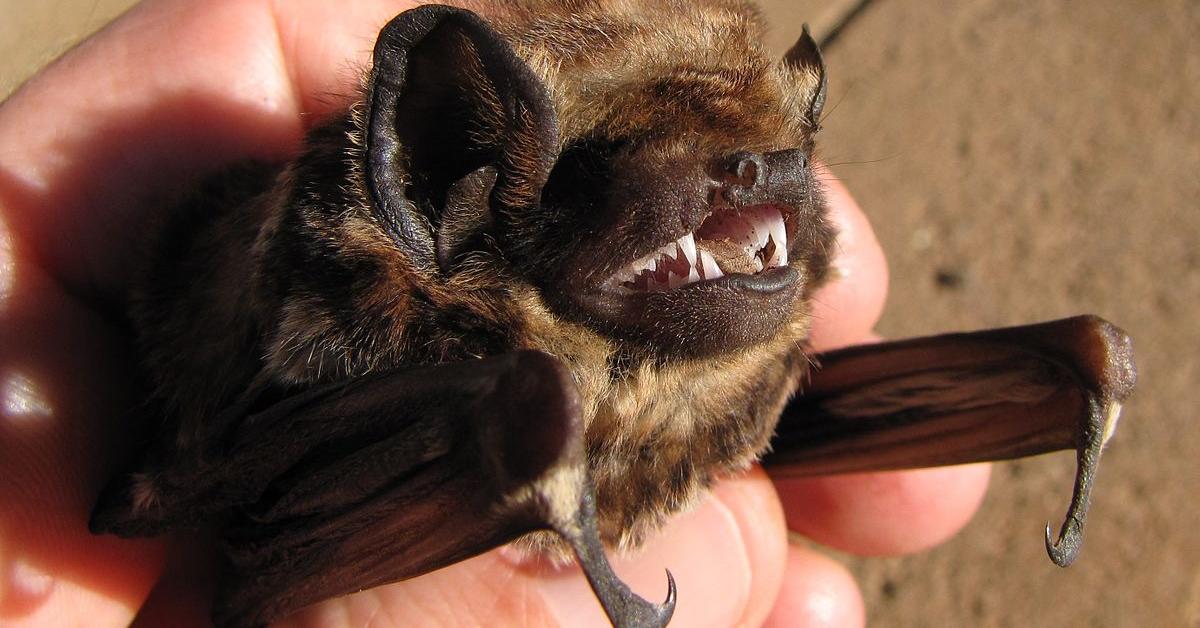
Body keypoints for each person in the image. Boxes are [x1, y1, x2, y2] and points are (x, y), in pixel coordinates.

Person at [0, 1, 991, 625]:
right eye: (680, 176)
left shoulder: (762, 327)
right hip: (316, 435)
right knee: (525, 421)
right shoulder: (407, 328)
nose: (763, 182)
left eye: (773, 163)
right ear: (474, 203)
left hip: (423, 455)